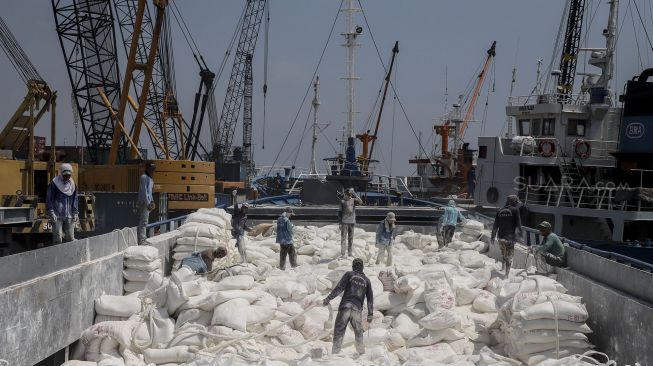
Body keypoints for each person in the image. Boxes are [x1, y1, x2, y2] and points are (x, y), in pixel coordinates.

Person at [322, 258, 374, 355]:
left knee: (339, 331)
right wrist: (370, 315)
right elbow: (370, 299)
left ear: (353, 266)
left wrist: (328, 299)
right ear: (362, 267)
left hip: (345, 306)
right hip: (357, 310)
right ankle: (361, 354)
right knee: (358, 332)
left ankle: (335, 354)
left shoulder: (349, 274)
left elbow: (339, 288)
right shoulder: (367, 281)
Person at [46, 163, 78, 244]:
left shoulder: (73, 185)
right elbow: (49, 198)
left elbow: (75, 199)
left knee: (70, 238)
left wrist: (75, 213)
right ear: (61, 173)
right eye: (65, 175)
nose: (67, 177)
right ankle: (57, 255)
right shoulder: (54, 184)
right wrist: (51, 212)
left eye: (69, 175)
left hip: (69, 215)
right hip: (57, 215)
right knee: (58, 238)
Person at [491, 195, 523, 276]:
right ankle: (506, 275)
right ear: (513, 202)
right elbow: (518, 225)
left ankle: (502, 268)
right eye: (516, 202)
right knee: (509, 257)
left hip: (500, 237)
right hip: (509, 239)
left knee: (504, 254)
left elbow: (495, 225)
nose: (516, 204)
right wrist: (520, 237)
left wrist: (492, 237)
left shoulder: (500, 210)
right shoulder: (515, 210)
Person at [339, 188, 363, 257]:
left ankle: (350, 253)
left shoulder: (353, 200)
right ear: (345, 194)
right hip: (344, 222)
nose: (350, 196)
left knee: (351, 239)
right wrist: (340, 223)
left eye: (351, 194)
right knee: (343, 238)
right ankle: (343, 253)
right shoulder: (342, 202)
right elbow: (339, 213)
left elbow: (361, 202)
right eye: (349, 194)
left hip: (352, 222)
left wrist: (355, 193)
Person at [137, 162, 156, 244]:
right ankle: (142, 240)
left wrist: (152, 201)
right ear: (147, 169)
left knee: (145, 221)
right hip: (144, 202)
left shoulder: (150, 178)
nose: (152, 171)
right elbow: (144, 192)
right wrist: (148, 203)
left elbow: (150, 192)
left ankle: (143, 238)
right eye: (151, 169)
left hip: (147, 201)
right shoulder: (144, 177)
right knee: (143, 221)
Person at [231, 190, 250, 263]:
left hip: (241, 235)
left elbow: (244, 226)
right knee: (233, 247)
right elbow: (235, 204)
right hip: (235, 233)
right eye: (244, 208)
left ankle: (243, 260)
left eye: (246, 208)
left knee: (241, 248)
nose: (244, 209)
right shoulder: (237, 213)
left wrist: (249, 229)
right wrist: (234, 196)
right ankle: (233, 260)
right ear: (242, 208)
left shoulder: (245, 216)